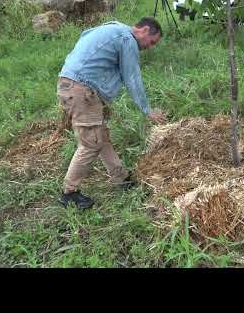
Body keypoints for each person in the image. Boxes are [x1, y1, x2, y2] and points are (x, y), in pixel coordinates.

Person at [56, 17, 167, 209]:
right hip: (82, 91)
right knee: (91, 143)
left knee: (101, 137)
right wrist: (148, 111)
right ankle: (69, 193)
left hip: (73, 85)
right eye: (152, 41)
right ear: (144, 30)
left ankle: (122, 178)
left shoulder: (115, 28)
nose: (150, 47)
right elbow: (132, 78)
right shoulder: (127, 39)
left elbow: (84, 36)